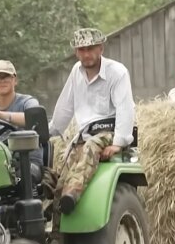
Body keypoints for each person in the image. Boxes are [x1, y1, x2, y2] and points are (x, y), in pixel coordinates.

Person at [48, 27, 135, 215]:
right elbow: (66, 106)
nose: (86, 54)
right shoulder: (75, 72)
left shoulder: (117, 72)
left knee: (90, 147)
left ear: (101, 49)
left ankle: (72, 194)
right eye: (82, 50)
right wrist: (52, 131)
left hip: (108, 133)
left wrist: (119, 142)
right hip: (84, 134)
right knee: (61, 175)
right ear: (76, 52)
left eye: (91, 48)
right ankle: (56, 233)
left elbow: (125, 107)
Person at [0, 59, 44, 181]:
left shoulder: (27, 102)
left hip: (25, 160)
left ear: (15, 80)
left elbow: (35, 120)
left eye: (6, 76)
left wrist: (0, 114)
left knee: (22, 177)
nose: (2, 80)